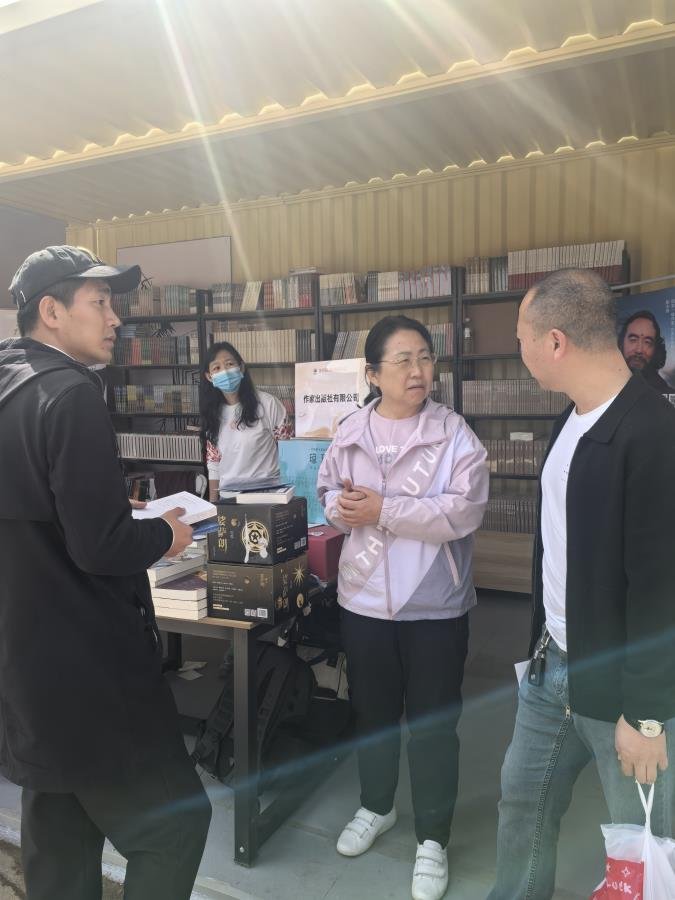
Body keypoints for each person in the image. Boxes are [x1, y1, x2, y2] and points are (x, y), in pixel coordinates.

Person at [0, 246, 212, 900]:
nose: (116, 319)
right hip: (90, 671)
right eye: (100, 303)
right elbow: (100, 547)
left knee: (61, 842)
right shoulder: (70, 395)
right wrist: (166, 531)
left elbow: (42, 514)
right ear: (52, 310)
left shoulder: (10, 386)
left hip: (25, 668)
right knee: (177, 827)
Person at [488, 269, 675, 900]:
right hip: (552, 667)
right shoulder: (569, 419)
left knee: (641, 839)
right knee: (522, 801)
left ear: (556, 342)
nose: (520, 349)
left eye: (523, 336)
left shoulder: (654, 434)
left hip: (624, 684)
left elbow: (661, 588)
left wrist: (646, 715)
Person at [317, 315, 488, 900]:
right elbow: (327, 491)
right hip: (363, 602)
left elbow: (464, 510)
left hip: (435, 607)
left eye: (425, 357)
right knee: (373, 713)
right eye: (403, 360)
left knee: (434, 726)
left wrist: (383, 510)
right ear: (373, 374)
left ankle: (433, 838)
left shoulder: (453, 433)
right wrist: (342, 509)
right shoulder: (350, 431)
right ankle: (376, 806)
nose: (418, 371)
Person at [200, 340, 292, 501]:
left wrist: (289, 497)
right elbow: (214, 463)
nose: (225, 372)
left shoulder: (268, 404)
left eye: (229, 364)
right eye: (217, 368)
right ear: (209, 376)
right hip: (228, 498)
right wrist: (213, 504)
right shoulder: (212, 413)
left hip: (266, 496)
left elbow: (290, 451)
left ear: (241, 367)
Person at [618, 308, 674, 393]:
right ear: (621, 343)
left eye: (647, 342)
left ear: (656, 349)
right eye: (633, 340)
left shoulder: (665, 394)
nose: (639, 350)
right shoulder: (604, 383)